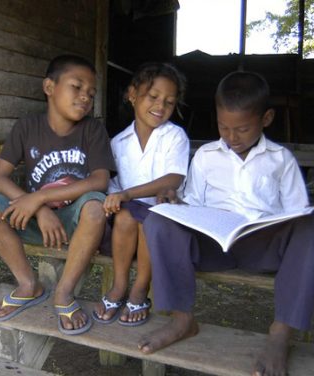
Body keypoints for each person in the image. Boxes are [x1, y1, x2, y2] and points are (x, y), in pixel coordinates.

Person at [139, 71, 314, 376]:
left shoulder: (280, 159)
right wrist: (174, 201)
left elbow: (295, 210)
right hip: (213, 247)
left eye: (242, 129)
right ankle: (182, 319)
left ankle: (280, 333)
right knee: (158, 221)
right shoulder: (206, 155)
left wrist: (310, 212)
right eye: (223, 127)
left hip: (263, 248)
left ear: (266, 118)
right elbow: (192, 202)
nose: (231, 137)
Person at [0, 54, 115, 335]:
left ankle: (63, 293)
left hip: (77, 224)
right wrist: (38, 209)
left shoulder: (93, 129)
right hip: (38, 222)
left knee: (94, 207)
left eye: (91, 93)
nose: (85, 97)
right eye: (76, 87)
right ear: (49, 88)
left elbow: (100, 180)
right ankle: (28, 284)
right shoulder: (27, 127)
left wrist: (39, 197)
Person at [92, 62, 190, 326]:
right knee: (125, 217)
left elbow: (174, 178)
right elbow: (113, 189)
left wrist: (127, 194)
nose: (160, 106)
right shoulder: (118, 143)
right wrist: (118, 199)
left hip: (161, 218)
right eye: (153, 97)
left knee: (148, 220)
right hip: (126, 226)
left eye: (169, 102)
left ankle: (140, 289)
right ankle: (120, 285)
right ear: (133, 95)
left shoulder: (175, 136)